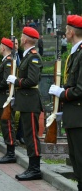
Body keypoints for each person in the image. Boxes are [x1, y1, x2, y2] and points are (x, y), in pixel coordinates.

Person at [48, 15, 82, 191]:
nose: (65, 33)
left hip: (79, 117)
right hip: (73, 116)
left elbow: (80, 89)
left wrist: (62, 93)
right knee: (76, 161)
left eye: (66, 29)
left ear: (71, 31)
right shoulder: (75, 53)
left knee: (80, 161)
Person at [7, 26, 43, 181]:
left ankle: (35, 169)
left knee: (32, 136)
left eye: (22, 36)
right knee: (29, 135)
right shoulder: (27, 56)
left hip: (30, 102)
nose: (19, 39)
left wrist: (17, 81)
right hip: (25, 101)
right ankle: (32, 167)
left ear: (27, 39)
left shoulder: (34, 57)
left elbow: (32, 80)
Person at [0, 38, 17, 163]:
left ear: (4, 48)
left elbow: (6, 82)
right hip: (2, 97)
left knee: (7, 124)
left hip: (6, 96)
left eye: (0, 46)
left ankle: (11, 153)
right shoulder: (5, 61)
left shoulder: (8, 61)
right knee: (5, 124)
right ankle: (9, 151)